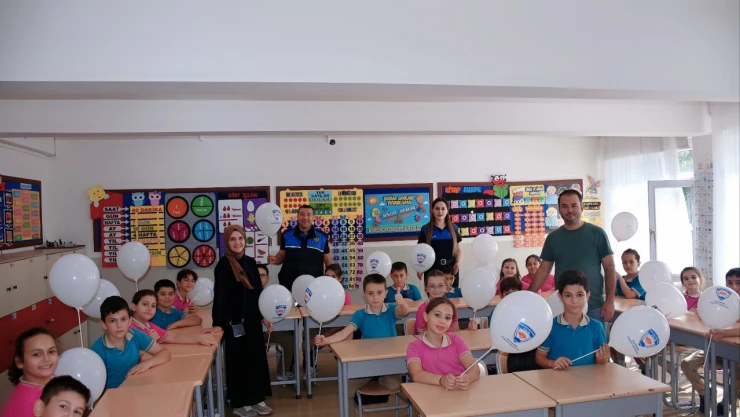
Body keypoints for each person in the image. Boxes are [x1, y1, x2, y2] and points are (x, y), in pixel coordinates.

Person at [528, 190, 617, 322]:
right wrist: (528, 297)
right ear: (559, 210)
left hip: (594, 306)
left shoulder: (597, 233)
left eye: (574, 205)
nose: (570, 210)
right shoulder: (553, 238)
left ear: (582, 207)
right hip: (562, 307)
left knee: (595, 336)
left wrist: (610, 301)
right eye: (565, 206)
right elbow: (543, 270)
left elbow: (609, 268)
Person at [213, 225, 273, 417]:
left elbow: (257, 292)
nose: (237, 242)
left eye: (240, 238)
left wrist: (264, 315)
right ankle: (240, 403)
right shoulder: (223, 266)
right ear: (227, 242)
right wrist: (219, 324)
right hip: (234, 323)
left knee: (255, 360)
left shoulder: (251, 262)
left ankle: (257, 399)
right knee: (238, 362)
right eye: (232, 239)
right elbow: (220, 296)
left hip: (252, 321)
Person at [314, 274, 410, 391]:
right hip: (368, 359)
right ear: (364, 294)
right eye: (370, 293)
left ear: (385, 293)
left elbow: (404, 311)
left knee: (394, 385)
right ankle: (372, 379)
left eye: (379, 293)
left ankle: (378, 378)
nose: (375, 297)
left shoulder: (391, 309)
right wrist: (326, 340)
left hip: (389, 359)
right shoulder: (360, 314)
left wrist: (402, 303)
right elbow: (344, 333)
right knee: (348, 386)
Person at [681, 267, 740, 415]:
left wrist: (724, 333)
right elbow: (708, 319)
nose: (734, 287)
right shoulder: (721, 302)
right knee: (687, 364)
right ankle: (705, 393)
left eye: (738, 283)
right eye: (730, 283)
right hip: (717, 347)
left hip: (735, 351)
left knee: (737, 375)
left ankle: (725, 404)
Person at [91, 296, 171, 390]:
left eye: (123, 319)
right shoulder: (97, 350)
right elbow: (92, 386)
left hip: (135, 389)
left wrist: (146, 364)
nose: (119, 325)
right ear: (103, 324)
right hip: (112, 395)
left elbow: (165, 353)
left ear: (130, 321)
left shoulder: (135, 335)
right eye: (112, 321)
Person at [535, 270, 610, 370]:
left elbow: (602, 363)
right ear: (560, 297)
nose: (574, 301)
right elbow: (539, 357)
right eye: (568, 295)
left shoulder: (596, 327)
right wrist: (552, 363)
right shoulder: (550, 326)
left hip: (588, 379)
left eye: (580, 295)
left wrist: (602, 360)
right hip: (557, 379)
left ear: (587, 296)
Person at [406, 297, 480, 390]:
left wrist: (468, 378)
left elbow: (474, 368)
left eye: (447, 318)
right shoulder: (415, 347)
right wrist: (441, 380)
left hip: (458, 392)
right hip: (430, 394)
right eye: (437, 315)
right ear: (426, 316)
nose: (442, 321)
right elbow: (416, 374)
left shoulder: (456, 341)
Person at [268, 205, 331, 290]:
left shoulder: (322, 237)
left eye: (309, 215)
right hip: (288, 283)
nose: (305, 218)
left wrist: (331, 279)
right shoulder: (286, 235)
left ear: (313, 217)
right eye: (302, 214)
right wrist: (275, 259)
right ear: (297, 216)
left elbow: (328, 261)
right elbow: (281, 256)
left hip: (313, 284)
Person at [2, 328, 59, 417]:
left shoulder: (51, 377)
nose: (47, 359)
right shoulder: (25, 404)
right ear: (20, 362)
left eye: (51, 352)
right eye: (36, 354)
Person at [130, 289, 216, 346]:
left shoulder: (149, 326)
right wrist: (149, 342)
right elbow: (128, 355)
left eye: (153, 306)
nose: (149, 308)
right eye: (145, 304)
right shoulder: (128, 327)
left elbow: (173, 337)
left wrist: (198, 339)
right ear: (134, 307)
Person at [258, 264, 298, 381]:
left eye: (263, 276)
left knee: (289, 340)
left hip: (269, 330)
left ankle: (282, 371)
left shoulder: (271, 294)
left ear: (268, 278)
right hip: (252, 332)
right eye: (256, 275)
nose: (259, 278)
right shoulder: (246, 293)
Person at [417, 198, 462, 287]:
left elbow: (458, 250)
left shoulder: (454, 228)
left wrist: (457, 263)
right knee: (434, 295)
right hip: (432, 269)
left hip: (450, 269)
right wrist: (420, 267)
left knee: (451, 295)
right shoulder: (425, 229)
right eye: (437, 208)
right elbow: (420, 251)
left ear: (447, 211)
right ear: (432, 210)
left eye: (443, 209)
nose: (440, 211)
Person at [414, 270, 459, 335]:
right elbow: (421, 336)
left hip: (449, 340)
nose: (436, 289)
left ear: (446, 287)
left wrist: (469, 329)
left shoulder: (451, 307)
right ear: (426, 288)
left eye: (440, 286)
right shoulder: (422, 310)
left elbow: (456, 332)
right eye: (432, 286)